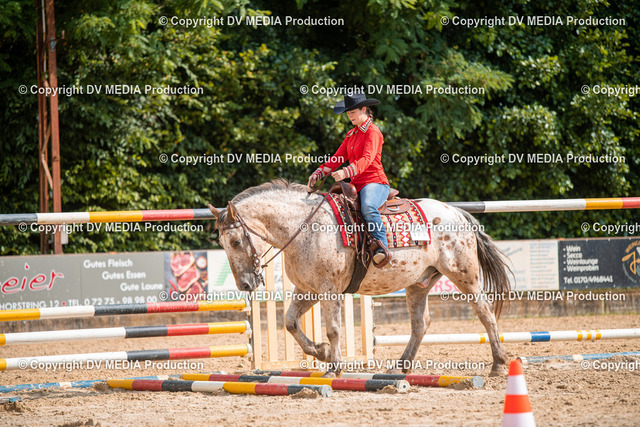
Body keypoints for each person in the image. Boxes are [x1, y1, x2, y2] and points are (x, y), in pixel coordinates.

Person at [307, 91, 392, 267]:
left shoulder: (373, 132)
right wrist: (318, 173)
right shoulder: (351, 135)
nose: (350, 116)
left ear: (364, 109)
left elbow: (367, 159)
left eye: (352, 112)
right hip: (356, 184)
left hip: (374, 182)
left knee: (368, 207)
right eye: (348, 113)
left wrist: (346, 172)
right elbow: (337, 158)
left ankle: (382, 248)